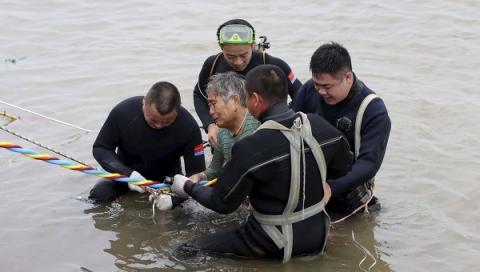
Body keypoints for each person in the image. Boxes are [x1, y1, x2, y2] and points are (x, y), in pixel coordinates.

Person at [171, 65, 352, 262]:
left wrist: (187, 186)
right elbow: (344, 167)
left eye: (247, 98)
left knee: (188, 249)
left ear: (255, 99)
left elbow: (221, 203)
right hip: (317, 235)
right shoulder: (320, 126)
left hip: (273, 240)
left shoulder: (251, 147)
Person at [291, 42, 391, 217]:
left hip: (348, 200)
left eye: (328, 87)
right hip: (307, 188)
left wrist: (331, 187)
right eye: (317, 84)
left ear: (348, 77)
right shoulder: (309, 90)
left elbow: (369, 164)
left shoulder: (373, 110)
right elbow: (287, 126)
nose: (321, 92)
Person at [89, 81, 206, 208]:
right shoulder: (123, 112)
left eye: (166, 122)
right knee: (99, 195)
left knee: (180, 213)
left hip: (166, 182)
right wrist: (128, 174)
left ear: (177, 112)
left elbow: (196, 174)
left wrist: (174, 200)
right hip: (126, 176)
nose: (158, 126)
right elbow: (101, 148)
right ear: (144, 102)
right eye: (153, 120)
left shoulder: (189, 126)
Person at [193, 19, 302, 147]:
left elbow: (301, 95)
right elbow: (199, 94)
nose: (238, 62)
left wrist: (285, 124)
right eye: (230, 57)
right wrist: (210, 124)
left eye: (244, 55)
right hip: (226, 139)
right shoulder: (212, 64)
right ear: (221, 48)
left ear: (252, 46)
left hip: (266, 137)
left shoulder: (273, 65)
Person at [189, 71, 260, 183]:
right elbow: (214, 170)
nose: (210, 112)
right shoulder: (222, 132)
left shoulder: (259, 123)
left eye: (214, 104)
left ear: (235, 101)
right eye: (209, 105)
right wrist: (199, 177)